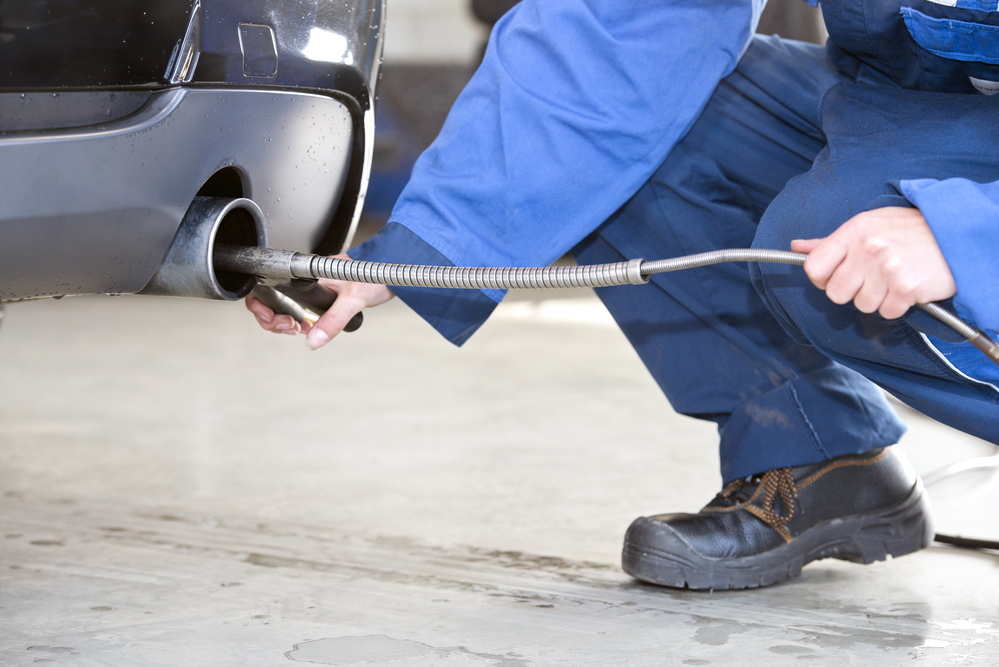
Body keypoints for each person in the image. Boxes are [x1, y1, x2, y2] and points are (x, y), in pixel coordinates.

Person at [247, 0, 999, 590]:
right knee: (653, 116)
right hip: (913, 114)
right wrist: (417, 251)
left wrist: (967, 233)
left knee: (833, 229)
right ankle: (819, 454)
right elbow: (616, 30)